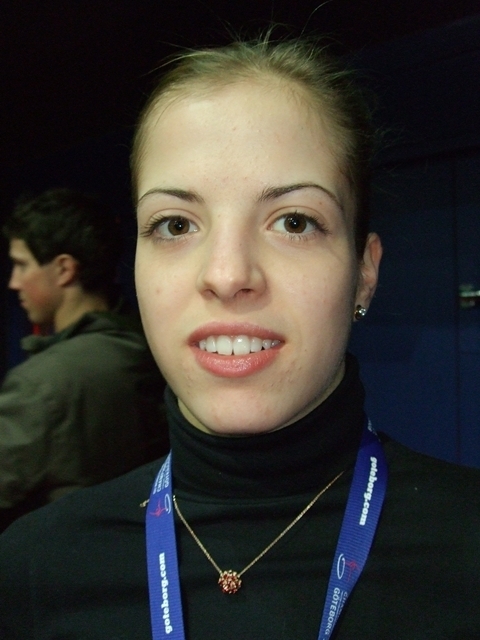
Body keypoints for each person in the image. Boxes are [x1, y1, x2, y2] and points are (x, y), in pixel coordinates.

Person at [0, 37, 479, 639]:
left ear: (364, 271)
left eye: (294, 222)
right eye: (176, 224)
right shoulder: (33, 572)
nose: (227, 275)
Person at [0, 188, 167, 531]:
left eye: (22, 264)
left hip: (57, 557)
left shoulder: (42, 383)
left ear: (64, 269)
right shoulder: (154, 354)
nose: (14, 282)